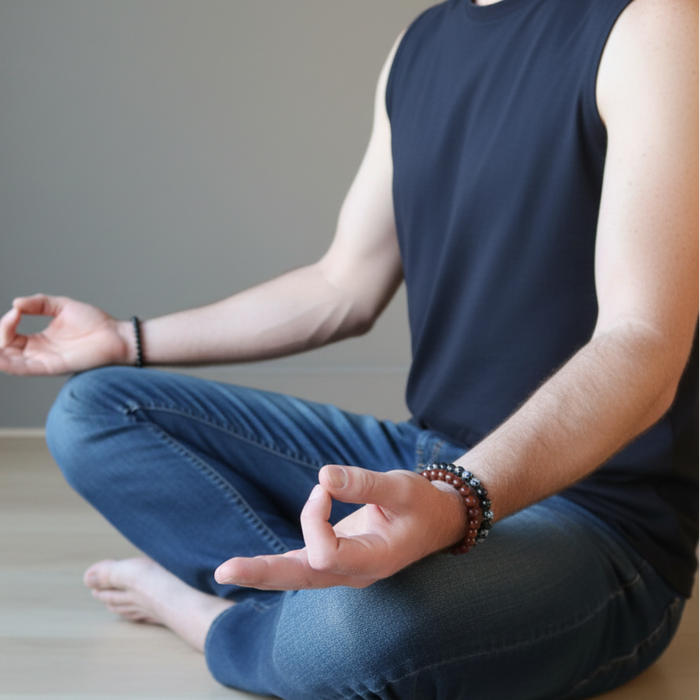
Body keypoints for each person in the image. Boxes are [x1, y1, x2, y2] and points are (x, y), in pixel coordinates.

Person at [2, 0, 700, 697]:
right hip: (424, 460)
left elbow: (642, 341)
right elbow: (343, 284)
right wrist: (126, 339)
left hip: (598, 520)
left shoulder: (654, 24)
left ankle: (213, 620)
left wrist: (458, 499)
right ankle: (306, 610)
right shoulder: (419, 45)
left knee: (361, 637)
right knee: (92, 412)